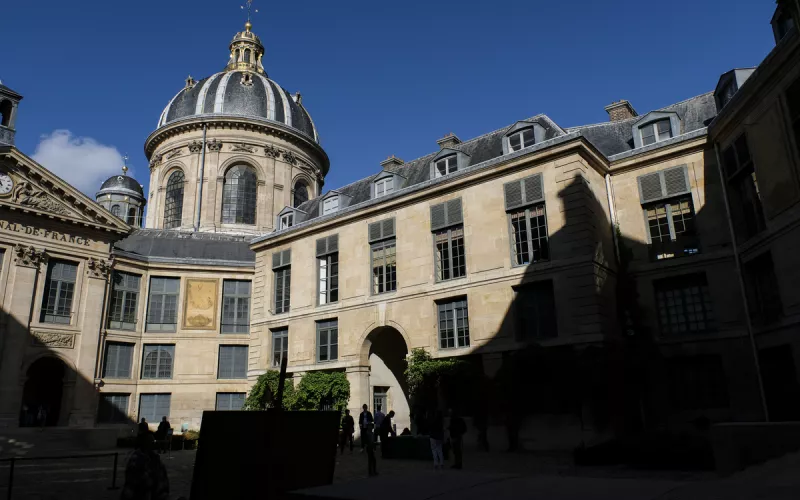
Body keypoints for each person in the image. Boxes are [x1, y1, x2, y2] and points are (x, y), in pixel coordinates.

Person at [121, 432, 170, 500]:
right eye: (151, 441)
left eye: (153, 440)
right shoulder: (136, 460)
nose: (153, 442)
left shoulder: (154, 457)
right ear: (144, 443)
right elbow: (136, 482)